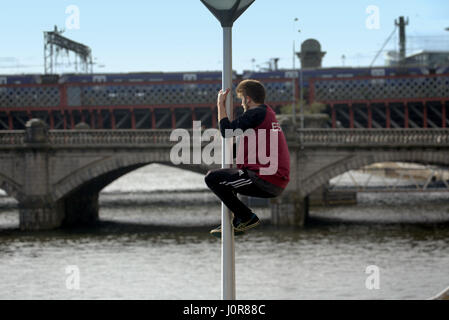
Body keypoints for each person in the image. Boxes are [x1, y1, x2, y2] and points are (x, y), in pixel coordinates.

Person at [204, 79, 290, 237]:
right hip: (274, 180)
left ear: (248, 99)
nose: (242, 103)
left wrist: (220, 104)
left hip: (266, 179)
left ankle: (246, 217)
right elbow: (243, 148)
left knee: (212, 178)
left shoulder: (256, 113)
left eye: (241, 99)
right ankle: (239, 221)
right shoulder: (267, 114)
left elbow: (227, 131)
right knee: (227, 178)